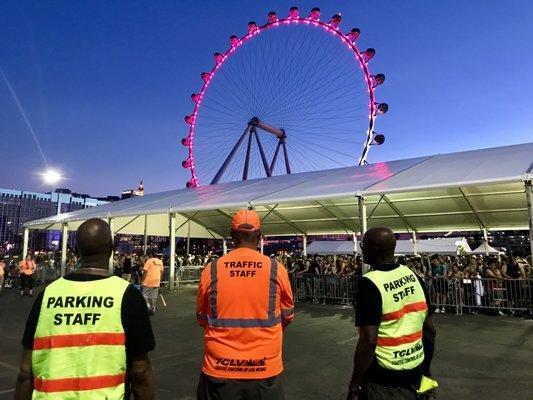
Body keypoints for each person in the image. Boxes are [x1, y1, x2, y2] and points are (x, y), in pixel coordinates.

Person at [15, 218, 156, 400]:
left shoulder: (48, 295)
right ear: (112, 250)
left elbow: (26, 372)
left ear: (77, 250)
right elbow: (141, 371)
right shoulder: (127, 296)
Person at [196, 209, 295, 400]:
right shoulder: (276, 269)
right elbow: (287, 314)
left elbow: (201, 317)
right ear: (259, 235)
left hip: (220, 369)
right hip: (265, 368)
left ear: (232, 235)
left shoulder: (212, 269)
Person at [347, 227, 436, 400]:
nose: (361, 249)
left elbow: (369, 341)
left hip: (384, 380)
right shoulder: (413, 276)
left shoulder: (370, 283)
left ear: (374, 249)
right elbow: (430, 330)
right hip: (416, 372)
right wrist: (426, 370)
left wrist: (354, 385)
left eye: (363, 244)